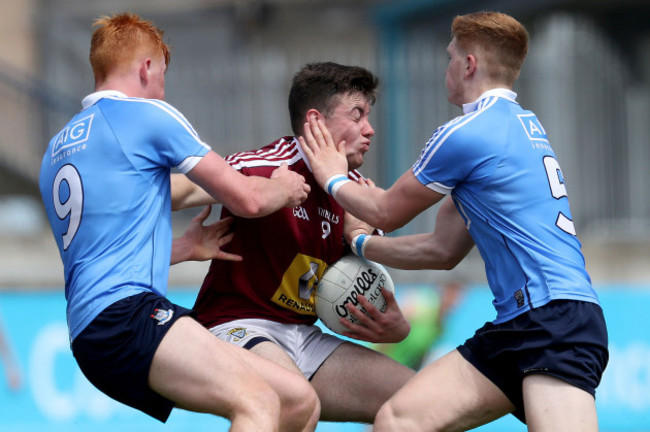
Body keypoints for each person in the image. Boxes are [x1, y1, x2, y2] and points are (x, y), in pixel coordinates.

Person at [300, 12, 609, 431]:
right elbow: (441, 250)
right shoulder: (521, 126)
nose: (445, 68)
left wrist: (331, 176)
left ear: (468, 65)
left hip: (553, 320)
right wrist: (359, 245)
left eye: (450, 58)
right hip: (518, 325)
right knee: (398, 419)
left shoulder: (467, 133)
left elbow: (387, 211)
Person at [38, 12, 320, 432]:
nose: (163, 87)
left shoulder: (58, 150)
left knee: (298, 401)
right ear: (147, 68)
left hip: (91, 330)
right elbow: (245, 201)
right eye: (164, 74)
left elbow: (105, 246)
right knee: (259, 402)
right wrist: (284, 187)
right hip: (127, 315)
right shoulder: (147, 116)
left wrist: (184, 249)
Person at [171, 62, 415, 424]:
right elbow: (176, 191)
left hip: (305, 337)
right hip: (236, 325)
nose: (370, 129)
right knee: (294, 402)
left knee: (420, 405)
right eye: (357, 115)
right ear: (316, 121)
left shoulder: (355, 194)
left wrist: (398, 329)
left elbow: (391, 269)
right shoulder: (264, 167)